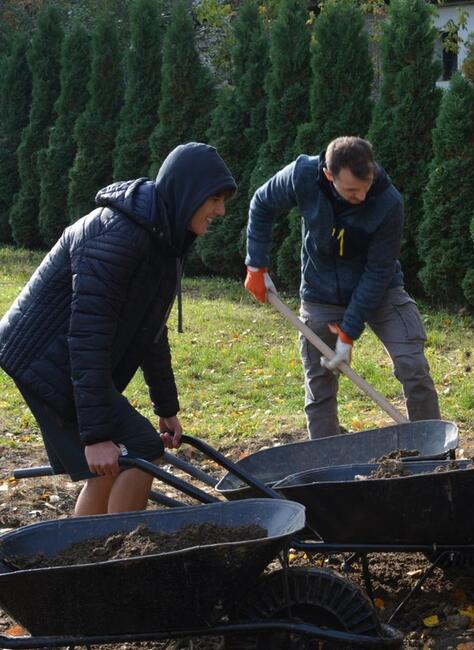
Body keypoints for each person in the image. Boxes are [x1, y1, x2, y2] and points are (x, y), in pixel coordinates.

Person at [0, 142, 237, 516]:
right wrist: (96, 437)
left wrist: (166, 407)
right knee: (141, 449)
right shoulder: (119, 237)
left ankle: (88, 557)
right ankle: (116, 553)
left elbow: (150, 331)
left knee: (120, 460)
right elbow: (87, 337)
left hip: (63, 354)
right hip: (42, 356)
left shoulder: (164, 237)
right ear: (188, 193)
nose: (220, 211)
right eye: (214, 199)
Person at [243, 136, 440, 438]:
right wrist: (256, 265)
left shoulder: (388, 202)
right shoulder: (303, 175)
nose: (362, 197)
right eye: (351, 190)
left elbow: (377, 272)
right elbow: (263, 202)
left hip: (381, 291)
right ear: (328, 175)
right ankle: (327, 462)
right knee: (319, 379)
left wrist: (348, 332)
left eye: (366, 186)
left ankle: (433, 449)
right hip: (321, 293)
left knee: (412, 364)